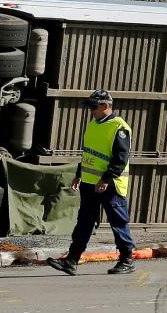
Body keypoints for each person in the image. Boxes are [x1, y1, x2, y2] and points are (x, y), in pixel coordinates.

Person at [47, 89, 137, 276]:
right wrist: (79, 174)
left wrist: (106, 179)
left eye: (94, 107)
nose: (91, 111)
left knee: (118, 222)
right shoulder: (93, 124)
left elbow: (120, 159)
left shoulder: (119, 127)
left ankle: (127, 259)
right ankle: (72, 260)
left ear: (106, 106)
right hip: (89, 183)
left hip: (110, 184)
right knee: (84, 222)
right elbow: (88, 153)